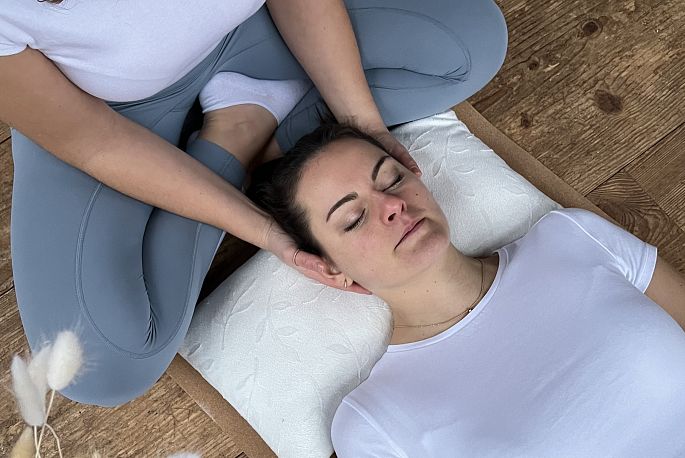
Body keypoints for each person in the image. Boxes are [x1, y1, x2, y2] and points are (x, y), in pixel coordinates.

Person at [0, 0, 508, 406]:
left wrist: (364, 126)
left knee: (472, 43)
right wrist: (263, 226)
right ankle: (242, 127)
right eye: (353, 218)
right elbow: (95, 143)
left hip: (257, 33)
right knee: (95, 368)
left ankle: (253, 105)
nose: (394, 204)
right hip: (96, 109)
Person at [248, 122, 685, 457]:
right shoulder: (374, 422)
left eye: (392, 180)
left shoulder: (572, 237)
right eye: (354, 218)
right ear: (330, 269)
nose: (393, 206)